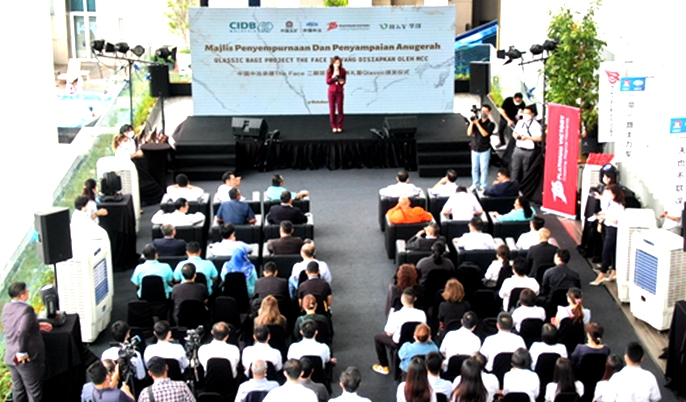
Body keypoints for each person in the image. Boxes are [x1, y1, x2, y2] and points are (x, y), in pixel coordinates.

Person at [3, 282, 52, 402]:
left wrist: (37, 325)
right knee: (34, 391)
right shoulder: (27, 309)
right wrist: (22, 352)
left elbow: (15, 325)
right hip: (25, 359)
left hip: (11, 356)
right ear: (22, 295)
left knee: (18, 389)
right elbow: (22, 331)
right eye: (27, 291)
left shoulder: (7, 307)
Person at [373, 288, 427, 375]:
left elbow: (389, 333)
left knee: (377, 338)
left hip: (398, 343)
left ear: (402, 300)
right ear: (415, 299)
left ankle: (384, 365)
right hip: (416, 341)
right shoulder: (422, 314)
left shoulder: (396, 315)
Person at [591, 184, 626, 285]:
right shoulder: (612, 203)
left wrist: (605, 217)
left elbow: (616, 220)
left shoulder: (619, 206)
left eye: (610, 193)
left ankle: (602, 273)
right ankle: (614, 271)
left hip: (614, 229)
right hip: (608, 227)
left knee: (606, 251)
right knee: (612, 251)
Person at [467, 104, 496, 191]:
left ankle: (483, 186)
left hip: (484, 149)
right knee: (474, 168)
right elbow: (469, 133)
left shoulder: (491, 124)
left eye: (485, 111)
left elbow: (485, 134)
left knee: (483, 169)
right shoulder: (476, 121)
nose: (483, 113)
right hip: (475, 148)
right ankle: (475, 184)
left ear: (489, 112)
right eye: (482, 111)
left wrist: (478, 124)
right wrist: (472, 123)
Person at [510, 106, 542, 183]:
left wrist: (527, 137)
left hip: (529, 151)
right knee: (515, 168)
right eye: (524, 113)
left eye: (528, 113)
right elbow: (514, 132)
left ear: (532, 114)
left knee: (526, 169)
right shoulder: (520, 122)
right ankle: (512, 185)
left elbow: (539, 138)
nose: (525, 115)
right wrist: (515, 135)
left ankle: (524, 186)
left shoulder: (536, 125)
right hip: (518, 148)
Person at [326, 55, 346, 132]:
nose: (337, 64)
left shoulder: (343, 70)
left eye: (338, 63)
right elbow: (328, 81)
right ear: (333, 63)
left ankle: (340, 126)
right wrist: (333, 77)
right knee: (332, 109)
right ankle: (334, 126)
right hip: (331, 91)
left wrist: (342, 82)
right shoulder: (329, 70)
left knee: (340, 109)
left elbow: (344, 81)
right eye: (335, 63)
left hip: (339, 91)